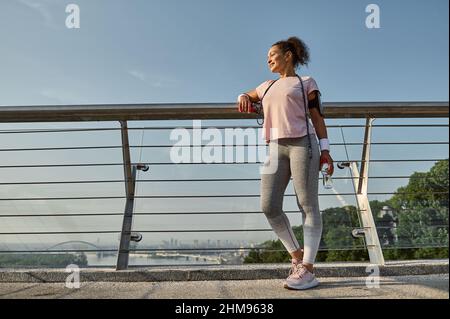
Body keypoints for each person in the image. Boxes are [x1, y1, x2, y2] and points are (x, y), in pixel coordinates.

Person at [237, 36, 334, 290]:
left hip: (304, 143)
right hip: (275, 146)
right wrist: (243, 96)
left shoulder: (305, 82)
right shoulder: (267, 85)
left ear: (288, 55)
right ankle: (296, 257)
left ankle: (309, 270)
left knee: (307, 203)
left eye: (273, 54)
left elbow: (317, 117)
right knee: (268, 205)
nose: (268, 59)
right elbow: (249, 93)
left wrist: (326, 151)